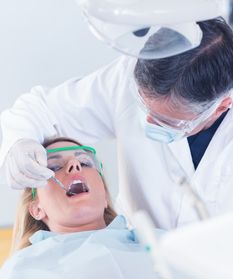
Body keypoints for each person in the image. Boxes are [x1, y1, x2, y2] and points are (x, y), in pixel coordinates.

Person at [1, 17, 233, 229]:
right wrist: (19, 142)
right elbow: (40, 109)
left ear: (222, 106)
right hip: (139, 249)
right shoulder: (124, 78)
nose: (148, 121)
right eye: (143, 106)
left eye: (166, 121)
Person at [0, 137, 167, 279]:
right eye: (54, 166)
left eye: (86, 162)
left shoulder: (161, 243)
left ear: (106, 197)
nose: (75, 165)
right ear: (36, 209)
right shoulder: (19, 276)